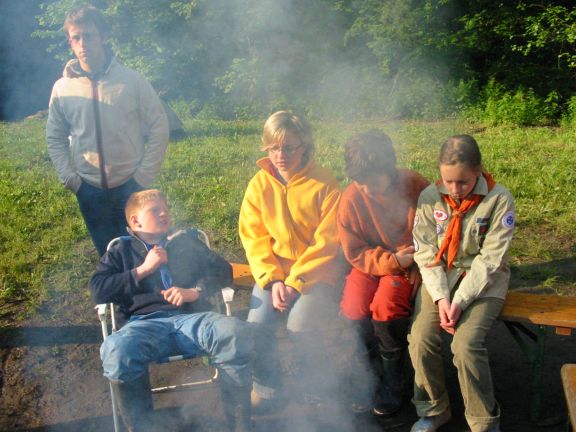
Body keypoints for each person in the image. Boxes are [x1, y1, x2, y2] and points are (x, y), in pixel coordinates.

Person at [90, 189, 253, 432]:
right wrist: (142, 270)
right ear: (136, 221)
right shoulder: (120, 251)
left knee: (234, 332)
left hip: (194, 319)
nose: (164, 213)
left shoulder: (185, 242)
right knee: (117, 351)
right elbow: (98, 289)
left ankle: (239, 426)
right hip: (143, 326)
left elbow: (224, 271)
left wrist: (196, 291)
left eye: (165, 208)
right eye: (155, 210)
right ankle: (142, 428)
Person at [408, 135, 515, 432]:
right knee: (420, 338)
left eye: (463, 182)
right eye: (448, 181)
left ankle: (483, 422)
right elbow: (425, 252)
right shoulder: (430, 196)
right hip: (441, 277)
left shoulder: (499, 199)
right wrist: (441, 298)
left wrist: (460, 301)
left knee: (466, 345)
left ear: (478, 171)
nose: (454, 190)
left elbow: (490, 260)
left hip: (484, 282)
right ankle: (434, 409)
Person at [238, 111, 342, 412]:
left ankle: (316, 384)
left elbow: (327, 242)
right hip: (273, 274)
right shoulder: (259, 184)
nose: (280, 156)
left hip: (317, 274)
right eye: (273, 148)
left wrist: (296, 282)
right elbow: (253, 236)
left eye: (288, 148)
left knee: (299, 324)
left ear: (305, 146)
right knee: (257, 324)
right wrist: (272, 280)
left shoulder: (324, 183)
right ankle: (267, 389)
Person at [46, 6, 169, 257]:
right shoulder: (62, 88)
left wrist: (144, 175)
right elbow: (55, 136)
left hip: (131, 184)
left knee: (146, 253)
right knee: (109, 255)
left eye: (89, 35)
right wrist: (71, 179)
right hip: (89, 188)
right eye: (76, 37)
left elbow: (159, 124)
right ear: (70, 41)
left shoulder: (131, 81)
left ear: (103, 36)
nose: (83, 43)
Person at [337, 130, 429, 417]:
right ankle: (369, 375)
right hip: (372, 264)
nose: (365, 189)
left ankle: (394, 379)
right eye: (359, 182)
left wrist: (416, 264)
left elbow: (436, 232)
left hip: (407, 265)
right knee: (353, 305)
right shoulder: (351, 198)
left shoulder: (415, 186)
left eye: (372, 182)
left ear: (389, 169)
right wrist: (390, 261)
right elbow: (354, 251)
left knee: (386, 305)